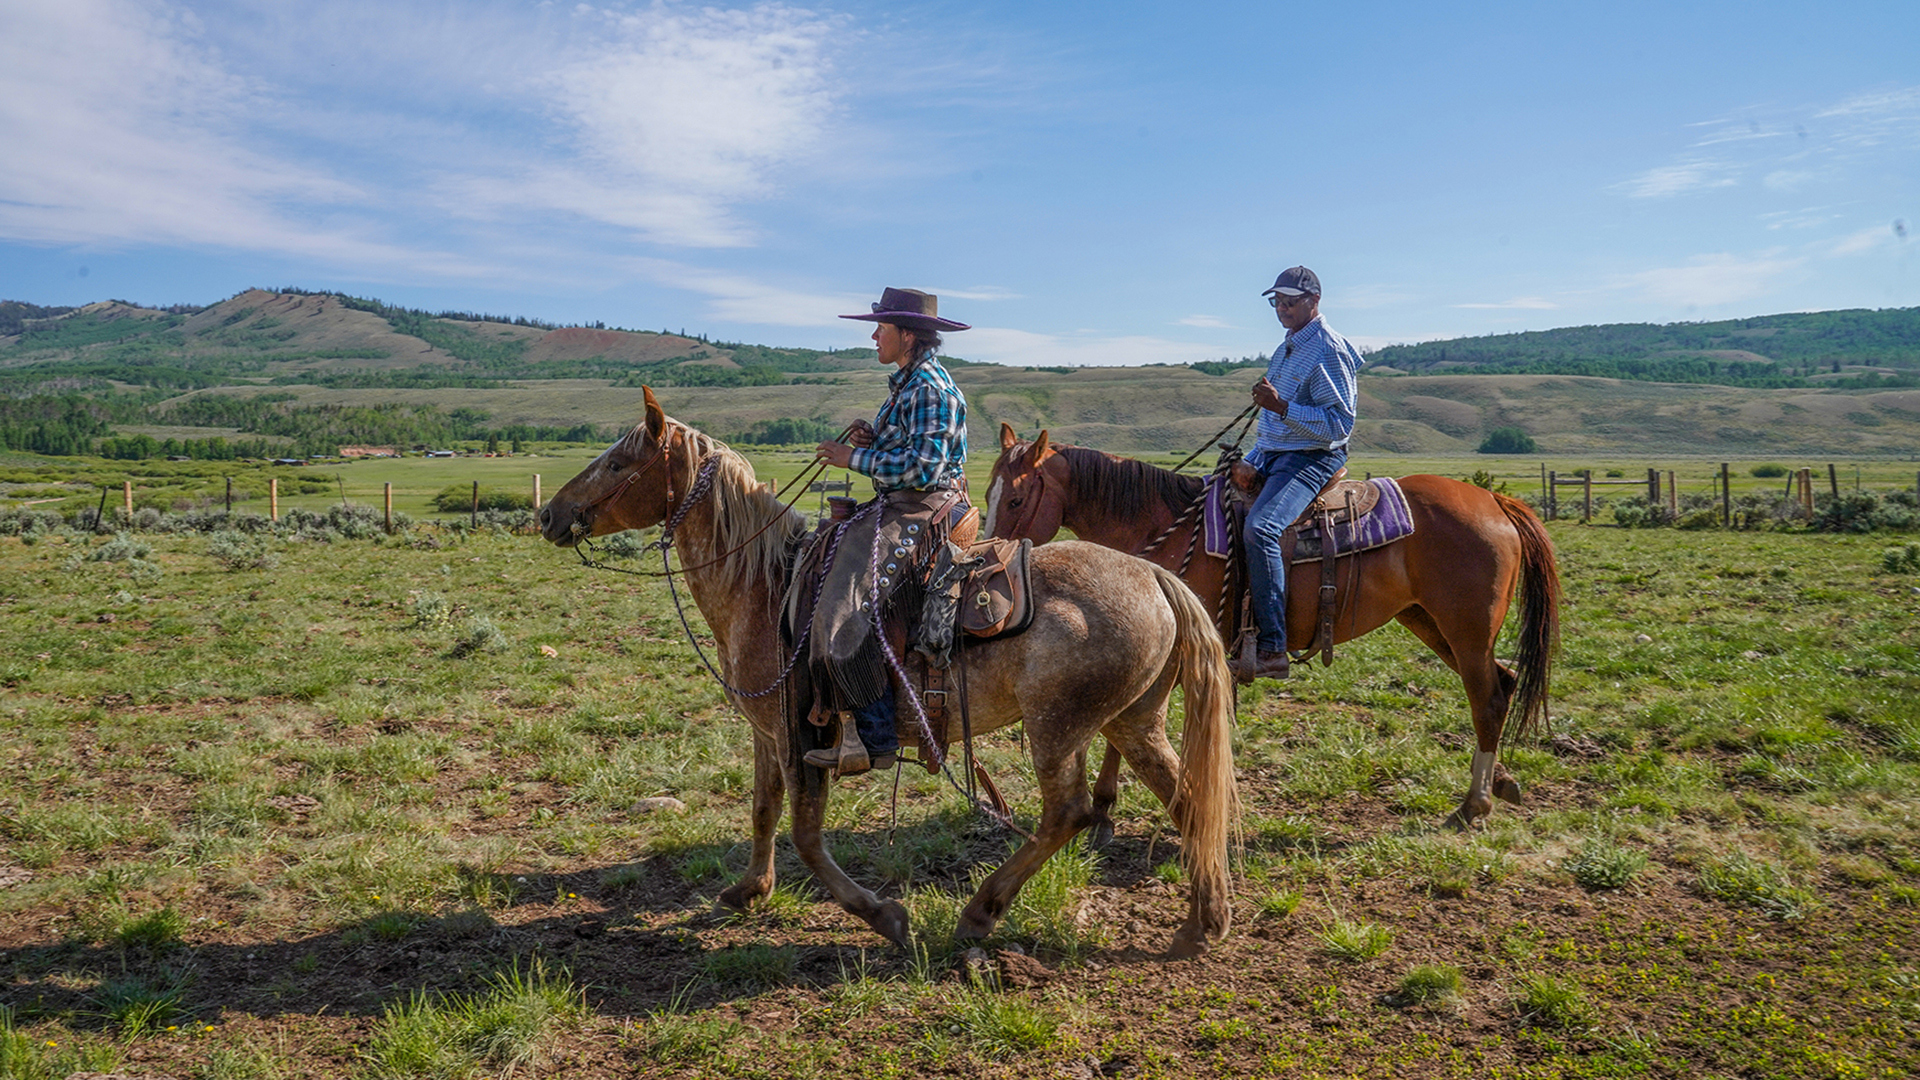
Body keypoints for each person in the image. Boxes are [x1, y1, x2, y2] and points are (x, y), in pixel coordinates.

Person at [796, 288, 970, 774]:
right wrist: (875, 439)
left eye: (882, 329)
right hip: (903, 503)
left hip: (921, 508)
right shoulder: (910, 382)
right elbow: (909, 448)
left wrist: (854, 458)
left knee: (842, 605)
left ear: (907, 336)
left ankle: (872, 738)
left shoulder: (929, 389)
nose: (874, 336)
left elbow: (922, 468)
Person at [1231, 265, 1366, 683]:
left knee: (1262, 528)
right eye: (1278, 302)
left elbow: (1340, 424)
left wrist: (1283, 408)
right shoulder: (1286, 347)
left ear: (1314, 301)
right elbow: (1271, 426)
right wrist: (1252, 460)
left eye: (1290, 301)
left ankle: (1273, 647)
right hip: (1275, 453)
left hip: (1311, 457)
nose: (1283, 309)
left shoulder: (1328, 348)